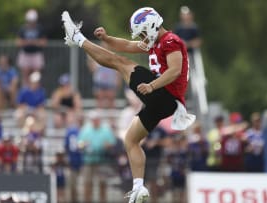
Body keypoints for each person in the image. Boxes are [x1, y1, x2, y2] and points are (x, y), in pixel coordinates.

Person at [61, 7, 195, 203]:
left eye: (142, 32)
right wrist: (107, 39)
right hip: (162, 101)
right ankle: (139, 187)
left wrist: (151, 85)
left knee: (119, 63)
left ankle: (78, 39)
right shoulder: (156, 41)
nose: (142, 37)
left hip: (164, 95)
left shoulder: (171, 41)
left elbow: (175, 71)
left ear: (150, 26)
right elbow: (127, 45)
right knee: (130, 140)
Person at [78, 109, 117, 202]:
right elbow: (79, 144)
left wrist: (107, 145)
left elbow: (113, 143)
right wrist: (84, 144)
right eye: (93, 119)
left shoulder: (106, 130)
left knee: (102, 184)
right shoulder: (85, 129)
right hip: (88, 160)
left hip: (102, 160)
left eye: (96, 119)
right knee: (87, 184)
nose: (95, 121)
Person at [16, 9, 46, 86]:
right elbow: (18, 42)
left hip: (36, 54)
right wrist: (32, 42)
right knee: (25, 74)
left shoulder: (40, 28)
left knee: (36, 75)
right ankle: (26, 91)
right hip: (25, 54)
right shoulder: (22, 29)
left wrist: (31, 42)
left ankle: (35, 91)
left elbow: (44, 42)